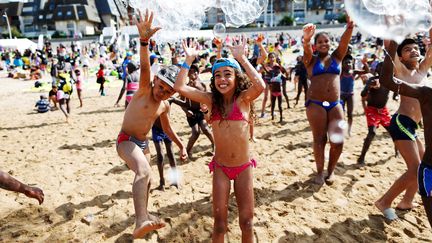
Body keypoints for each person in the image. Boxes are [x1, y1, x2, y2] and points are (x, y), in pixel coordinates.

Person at [174, 37, 265, 242]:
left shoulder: (243, 99)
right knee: (220, 224)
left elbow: (260, 85)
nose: (222, 79)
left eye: (227, 74)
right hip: (221, 168)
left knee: (247, 222)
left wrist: (241, 58)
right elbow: (180, 87)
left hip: (243, 168)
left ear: (237, 77)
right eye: (217, 75)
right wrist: (188, 59)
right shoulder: (210, 100)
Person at [116, 10, 187, 238]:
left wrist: (181, 145)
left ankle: (143, 216)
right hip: (126, 140)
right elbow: (145, 65)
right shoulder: (145, 90)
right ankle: (140, 221)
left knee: (147, 180)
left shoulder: (164, 105)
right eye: (161, 87)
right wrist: (144, 41)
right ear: (155, 80)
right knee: (144, 171)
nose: (163, 93)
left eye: (168, 92)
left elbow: (167, 129)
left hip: (143, 144)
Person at [375, 37, 432, 221]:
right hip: (401, 122)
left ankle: (406, 201)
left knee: (422, 166)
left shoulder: (423, 70)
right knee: (416, 169)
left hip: (413, 127)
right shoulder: (401, 71)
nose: (413, 51)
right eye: (408, 49)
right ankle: (384, 201)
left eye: (416, 48)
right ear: (401, 56)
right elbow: (388, 47)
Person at [302, 17, 354, 185]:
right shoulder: (311, 60)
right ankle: (319, 172)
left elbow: (344, 43)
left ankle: (330, 171)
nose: (324, 43)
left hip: (335, 104)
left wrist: (349, 27)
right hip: (315, 104)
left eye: (327, 41)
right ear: (316, 45)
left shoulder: (337, 57)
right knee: (319, 139)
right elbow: (307, 51)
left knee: (338, 141)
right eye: (320, 41)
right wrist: (307, 39)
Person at [170, 64, 215, 157]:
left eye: (195, 71)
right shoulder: (186, 87)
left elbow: (207, 99)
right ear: (187, 74)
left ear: (198, 73)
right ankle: (187, 150)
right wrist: (186, 111)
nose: (193, 73)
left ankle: (214, 146)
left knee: (205, 129)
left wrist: (206, 110)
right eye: (190, 71)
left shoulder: (202, 85)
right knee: (196, 132)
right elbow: (183, 102)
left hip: (201, 111)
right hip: (191, 113)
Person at [357, 62, 396, 165]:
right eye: (381, 69)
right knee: (372, 133)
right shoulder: (373, 80)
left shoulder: (390, 81)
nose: (384, 71)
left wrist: (395, 95)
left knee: (394, 131)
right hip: (372, 110)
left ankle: (397, 151)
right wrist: (369, 86)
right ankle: (361, 157)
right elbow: (363, 94)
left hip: (383, 110)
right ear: (377, 71)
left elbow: (398, 88)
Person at [340, 54, 369, 136]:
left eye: (349, 62)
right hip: (341, 95)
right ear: (342, 64)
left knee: (350, 114)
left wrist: (365, 63)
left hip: (350, 95)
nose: (348, 64)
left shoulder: (353, 72)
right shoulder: (340, 72)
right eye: (346, 63)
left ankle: (349, 131)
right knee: (341, 114)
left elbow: (366, 71)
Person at [151, 117, 178, 190]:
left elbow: (182, 104)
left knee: (171, 154)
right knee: (160, 155)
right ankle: (162, 181)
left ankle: (175, 181)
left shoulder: (166, 104)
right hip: (156, 129)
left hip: (167, 128)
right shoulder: (152, 105)